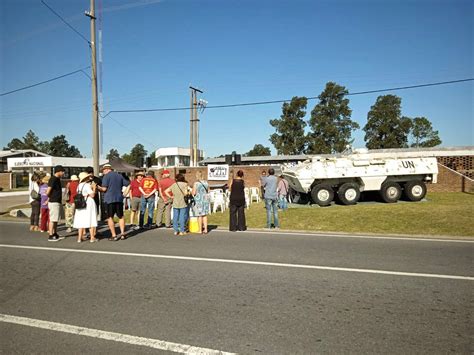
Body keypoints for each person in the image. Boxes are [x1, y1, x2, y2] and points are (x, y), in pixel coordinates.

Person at [98, 164, 130, 241]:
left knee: (110, 217)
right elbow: (128, 184)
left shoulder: (106, 176)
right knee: (121, 216)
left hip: (109, 199)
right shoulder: (119, 176)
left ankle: (114, 235)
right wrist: (124, 194)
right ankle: (122, 234)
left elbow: (104, 189)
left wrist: (98, 188)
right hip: (119, 198)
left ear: (106, 169)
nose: (103, 172)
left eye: (103, 170)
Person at [73, 172, 98, 243]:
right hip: (88, 202)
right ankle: (92, 237)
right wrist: (94, 188)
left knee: (81, 220)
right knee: (91, 219)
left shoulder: (79, 186)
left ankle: (79, 238)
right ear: (86, 178)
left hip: (80, 203)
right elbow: (92, 195)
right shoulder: (87, 185)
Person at [46, 165, 65, 241]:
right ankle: (50, 235)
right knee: (53, 219)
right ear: (59, 171)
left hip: (57, 201)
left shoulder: (57, 179)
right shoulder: (53, 179)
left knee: (56, 219)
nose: (63, 173)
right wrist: (49, 196)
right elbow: (48, 190)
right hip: (53, 201)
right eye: (62, 171)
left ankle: (55, 233)